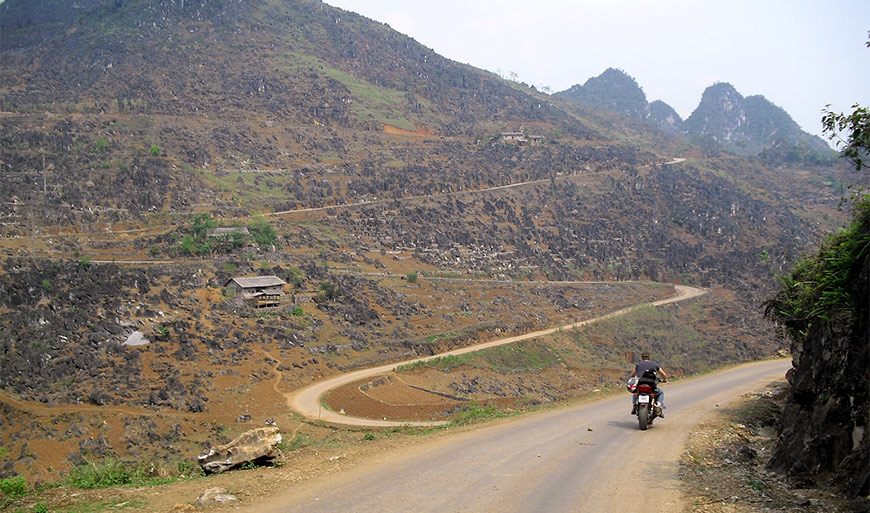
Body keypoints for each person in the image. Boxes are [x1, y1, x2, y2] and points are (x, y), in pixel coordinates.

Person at [630, 351, 667, 417]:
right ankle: (658, 405)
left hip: (640, 384)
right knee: (660, 393)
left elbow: (632, 375)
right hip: (651, 385)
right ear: (649, 357)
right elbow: (663, 374)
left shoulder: (638, 365)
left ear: (642, 358)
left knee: (635, 392)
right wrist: (664, 380)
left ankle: (635, 405)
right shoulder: (655, 364)